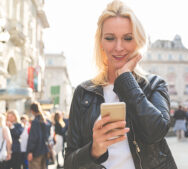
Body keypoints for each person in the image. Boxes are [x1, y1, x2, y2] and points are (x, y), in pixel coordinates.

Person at [64, 1, 177, 169]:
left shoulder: (154, 84)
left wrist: (124, 78)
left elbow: (156, 132)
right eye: (110, 38)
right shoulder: (83, 92)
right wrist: (94, 149)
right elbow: (69, 163)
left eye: (127, 38)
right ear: (101, 42)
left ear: (138, 41)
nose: (118, 47)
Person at [27, 102, 49, 169]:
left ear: (32, 110)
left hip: (36, 151)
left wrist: (30, 151)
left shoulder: (35, 122)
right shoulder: (44, 120)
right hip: (44, 149)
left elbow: (34, 137)